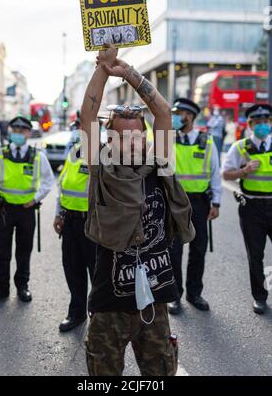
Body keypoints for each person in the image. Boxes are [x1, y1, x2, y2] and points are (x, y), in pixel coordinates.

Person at [81, 44, 195, 376]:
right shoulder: (101, 168)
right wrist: (103, 67)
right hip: (109, 302)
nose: (133, 143)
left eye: (137, 137)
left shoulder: (158, 163)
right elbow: (87, 116)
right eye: (124, 137)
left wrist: (128, 73)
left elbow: (162, 113)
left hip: (154, 299)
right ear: (109, 141)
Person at [0, 116, 54, 305]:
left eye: (22, 130)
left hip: (26, 211)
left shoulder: (38, 156)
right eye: (15, 130)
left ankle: (22, 286)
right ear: (10, 132)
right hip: (4, 210)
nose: (18, 134)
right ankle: (1, 288)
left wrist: (35, 199)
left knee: (24, 250)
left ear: (29, 133)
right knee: (0, 250)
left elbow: (48, 182)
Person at [168, 99, 221, 315]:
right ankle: (174, 296)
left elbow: (215, 174)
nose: (175, 117)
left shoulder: (207, 141)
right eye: (174, 113)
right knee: (174, 251)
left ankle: (194, 293)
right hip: (175, 202)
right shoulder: (168, 139)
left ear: (190, 117)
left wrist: (216, 202)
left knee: (198, 249)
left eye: (179, 113)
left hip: (200, 202)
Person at [222, 104, 272, 315]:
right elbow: (226, 174)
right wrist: (243, 170)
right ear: (250, 125)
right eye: (257, 122)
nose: (262, 125)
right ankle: (259, 297)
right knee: (255, 255)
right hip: (252, 207)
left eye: (265, 121)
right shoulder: (240, 147)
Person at [53, 140, 96, 332]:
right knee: (72, 267)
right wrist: (59, 213)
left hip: (94, 222)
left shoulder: (105, 152)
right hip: (70, 220)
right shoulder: (75, 151)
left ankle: (99, 314)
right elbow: (63, 184)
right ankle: (77, 312)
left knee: (98, 271)